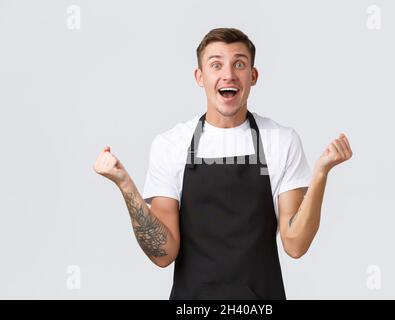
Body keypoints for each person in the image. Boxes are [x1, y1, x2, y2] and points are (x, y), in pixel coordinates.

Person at [93, 27, 353, 300]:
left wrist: (321, 173)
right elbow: (163, 254)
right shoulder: (171, 144)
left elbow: (296, 244)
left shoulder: (281, 141)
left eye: (239, 64)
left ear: (253, 76)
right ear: (200, 77)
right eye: (216, 64)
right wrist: (125, 186)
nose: (228, 74)